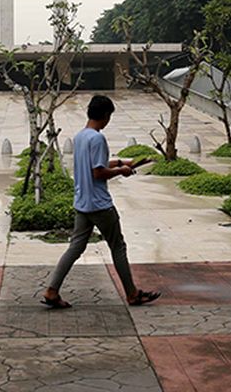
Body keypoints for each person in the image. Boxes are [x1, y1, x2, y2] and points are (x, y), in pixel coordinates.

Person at [41, 94, 161, 308]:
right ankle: (132, 294)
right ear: (105, 115)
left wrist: (121, 162)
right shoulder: (97, 138)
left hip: (82, 203)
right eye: (109, 116)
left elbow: (95, 164)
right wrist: (121, 171)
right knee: (118, 246)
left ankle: (52, 290)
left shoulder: (80, 137)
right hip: (100, 205)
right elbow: (98, 172)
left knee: (75, 248)